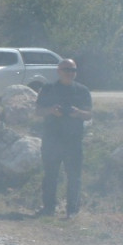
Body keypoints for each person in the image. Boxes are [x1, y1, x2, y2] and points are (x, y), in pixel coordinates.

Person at [35, 58, 93, 218]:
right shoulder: (48, 89)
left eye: (73, 70)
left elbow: (89, 114)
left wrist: (78, 113)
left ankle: (72, 211)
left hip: (73, 141)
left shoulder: (82, 90)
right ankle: (48, 209)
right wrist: (51, 110)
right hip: (52, 140)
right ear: (58, 71)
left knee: (74, 177)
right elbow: (38, 111)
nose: (70, 73)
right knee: (50, 175)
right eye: (66, 70)